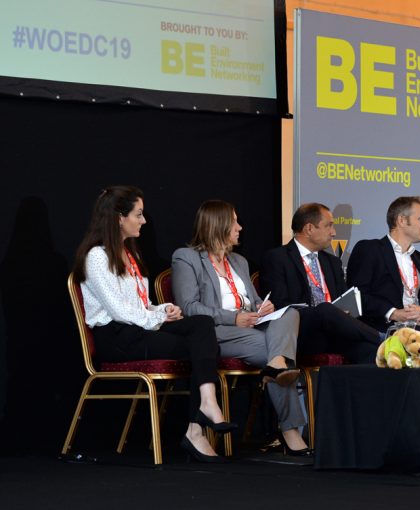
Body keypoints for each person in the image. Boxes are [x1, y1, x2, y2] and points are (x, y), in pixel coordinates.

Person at [73, 186, 234, 463]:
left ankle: (205, 409)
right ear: (118, 218)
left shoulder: (129, 254)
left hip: (139, 327)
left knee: (202, 325)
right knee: (202, 347)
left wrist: (163, 309)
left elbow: (140, 305)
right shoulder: (97, 257)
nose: (144, 220)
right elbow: (119, 311)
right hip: (116, 337)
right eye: (138, 214)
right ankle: (197, 427)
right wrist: (158, 317)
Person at [172, 200, 311, 457]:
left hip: (253, 327)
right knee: (279, 354)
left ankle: (278, 365)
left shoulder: (238, 261)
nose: (240, 227)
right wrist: (233, 318)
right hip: (216, 333)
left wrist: (263, 306)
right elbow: (189, 308)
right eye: (234, 222)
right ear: (218, 225)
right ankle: (291, 430)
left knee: (290, 313)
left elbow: (252, 300)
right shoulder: (187, 258)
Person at [260, 203, 380, 364]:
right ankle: (381, 337)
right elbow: (280, 304)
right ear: (309, 229)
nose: (334, 232)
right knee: (325, 309)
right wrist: (322, 312)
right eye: (329, 226)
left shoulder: (332, 262)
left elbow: (343, 299)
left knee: (375, 353)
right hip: (302, 332)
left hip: (335, 332)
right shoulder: (277, 258)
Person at [346, 196, 420, 362]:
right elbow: (357, 296)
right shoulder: (370, 250)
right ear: (401, 220)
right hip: (385, 329)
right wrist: (393, 313)